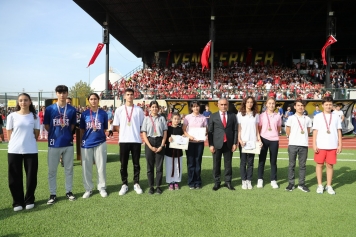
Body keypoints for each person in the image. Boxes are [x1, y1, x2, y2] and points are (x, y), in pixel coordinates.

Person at [44, 85, 77, 204]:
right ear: (56, 94)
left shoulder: (72, 109)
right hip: (54, 143)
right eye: (59, 92)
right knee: (52, 170)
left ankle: (69, 191)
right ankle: (52, 194)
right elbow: (47, 125)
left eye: (64, 92)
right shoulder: (50, 109)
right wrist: (55, 134)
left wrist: (65, 134)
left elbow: (72, 125)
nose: (62, 95)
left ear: (67, 94)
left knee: (69, 169)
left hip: (68, 143)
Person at [6, 93, 39, 211]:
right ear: (18, 102)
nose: (23, 102)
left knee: (31, 176)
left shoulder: (34, 117)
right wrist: (15, 143)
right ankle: (17, 202)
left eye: (25, 100)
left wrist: (27, 142)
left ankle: (29, 199)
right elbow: (9, 134)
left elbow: (36, 134)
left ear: (30, 102)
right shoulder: (12, 116)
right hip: (14, 150)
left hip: (31, 150)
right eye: (20, 100)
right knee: (14, 177)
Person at [113, 88, 145, 195]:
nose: (130, 96)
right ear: (124, 96)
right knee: (123, 164)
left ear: (134, 96)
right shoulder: (119, 110)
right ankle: (124, 184)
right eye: (128, 94)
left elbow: (141, 125)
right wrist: (122, 133)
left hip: (136, 140)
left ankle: (136, 183)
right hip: (124, 141)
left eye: (131, 94)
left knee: (136, 164)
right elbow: (116, 125)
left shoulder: (139, 110)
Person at [80, 93, 108, 198]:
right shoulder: (84, 114)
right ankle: (88, 189)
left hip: (100, 142)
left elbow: (104, 128)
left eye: (95, 99)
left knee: (101, 167)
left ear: (98, 100)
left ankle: (102, 187)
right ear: (88, 101)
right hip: (87, 143)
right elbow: (82, 129)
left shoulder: (103, 113)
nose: (93, 101)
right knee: (86, 167)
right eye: (91, 99)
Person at [313, 96, 342, 195]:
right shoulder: (317, 117)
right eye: (326, 104)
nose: (328, 106)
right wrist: (314, 144)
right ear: (322, 105)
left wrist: (340, 145)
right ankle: (320, 185)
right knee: (319, 165)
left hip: (332, 145)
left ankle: (329, 185)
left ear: (332, 105)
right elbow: (315, 131)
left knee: (330, 166)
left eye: (330, 104)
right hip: (320, 145)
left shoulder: (336, 116)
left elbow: (339, 131)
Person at [208, 98, 238, 191]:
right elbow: (210, 131)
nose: (223, 106)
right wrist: (211, 144)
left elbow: (235, 130)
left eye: (225, 104)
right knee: (216, 164)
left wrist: (234, 143)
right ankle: (217, 182)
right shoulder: (213, 116)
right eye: (222, 104)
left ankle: (228, 182)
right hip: (217, 144)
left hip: (228, 143)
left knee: (228, 164)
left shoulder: (233, 115)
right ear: (218, 105)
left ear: (228, 105)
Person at [285, 99, 312, 192]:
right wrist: (292, 138)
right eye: (299, 105)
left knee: (302, 166)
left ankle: (301, 184)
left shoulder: (307, 119)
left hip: (303, 144)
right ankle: (291, 184)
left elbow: (308, 131)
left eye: (302, 105)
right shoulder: (291, 118)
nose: (301, 107)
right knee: (291, 165)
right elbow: (288, 130)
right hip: (293, 144)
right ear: (295, 107)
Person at [141, 101, 168, 194]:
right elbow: (144, 133)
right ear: (150, 108)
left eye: (156, 107)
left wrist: (162, 145)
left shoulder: (162, 119)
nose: (154, 109)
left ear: (159, 108)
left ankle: (158, 186)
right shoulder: (146, 119)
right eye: (152, 107)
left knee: (159, 167)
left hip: (160, 141)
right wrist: (150, 146)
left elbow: (165, 133)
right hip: (150, 142)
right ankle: (151, 186)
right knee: (150, 167)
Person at [258, 97, 282, 189]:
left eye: (273, 103)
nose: (271, 105)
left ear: (275, 105)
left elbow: (279, 128)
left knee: (273, 161)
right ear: (266, 104)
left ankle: (273, 180)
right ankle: (260, 179)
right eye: (270, 103)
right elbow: (259, 128)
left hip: (274, 140)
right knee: (261, 160)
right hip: (264, 139)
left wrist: (274, 134)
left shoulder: (278, 116)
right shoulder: (262, 116)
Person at [237, 96, 261, 190]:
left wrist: (259, 139)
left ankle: (249, 180)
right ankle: (243, 180)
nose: (249, 104)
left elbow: (256, 129)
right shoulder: (240, 114)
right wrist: (239, 139)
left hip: (252, 142)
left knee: (251, 162)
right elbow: (239, 128)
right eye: (248, 102)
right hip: (243, 141)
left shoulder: (256, 114)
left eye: (251, 102)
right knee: (243, 162)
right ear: (245, 103)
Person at [183, 101, 207, 189]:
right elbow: (184, 130)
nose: (196, 108)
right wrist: (189, 136)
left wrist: (204, 134)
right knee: (190, 162)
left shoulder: (203, 118)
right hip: (190, 143)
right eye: (194, 106)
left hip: (199, 143)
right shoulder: (187, 117)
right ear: (191, 108)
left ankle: (198, 181)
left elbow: (206, 130)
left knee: (198, 161)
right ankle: (190, 181)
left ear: (199, 107)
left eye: (197, 106)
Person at [164, 112, 184, 190]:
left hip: (178, 152)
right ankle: (170, 182)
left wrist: (183, 137)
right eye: (175, 119)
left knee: (177, 167)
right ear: (171, 119)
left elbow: (183, 139)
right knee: (169, 167)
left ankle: (176, 181)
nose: (176, 120)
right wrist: (168, 139)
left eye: (178, 119)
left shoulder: (180, 129)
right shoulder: (168, 129)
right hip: (169, 152)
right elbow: (165, 139)